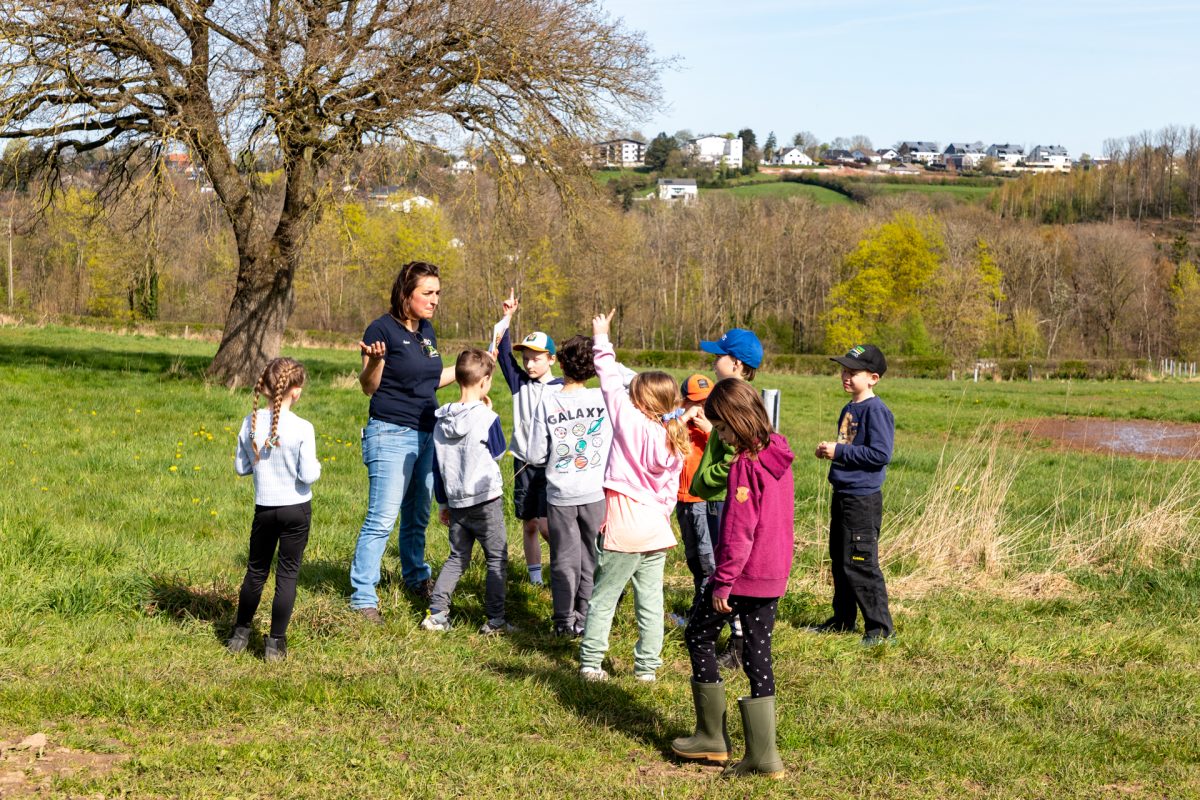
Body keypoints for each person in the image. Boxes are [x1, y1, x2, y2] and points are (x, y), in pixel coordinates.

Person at [672, 378, 794, 779]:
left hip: (742, 575)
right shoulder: (778, 449)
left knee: (698, 634)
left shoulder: (744, 465)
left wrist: (723, 582)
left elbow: (740, 532)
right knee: (759, 654)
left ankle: (712, 738)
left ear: (738, 420)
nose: (720, 436)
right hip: (772, 572)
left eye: (722, 428)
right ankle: (764, 756)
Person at [577, 310, 687, 683]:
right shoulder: (674, 436)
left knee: (604, 598)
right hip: (656, 530)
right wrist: (660, 515)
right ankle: (647, 669)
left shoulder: (629, 423)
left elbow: (608, 380)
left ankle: (591, 662)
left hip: (624, 529)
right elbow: (669, 494)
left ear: (640, 401)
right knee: (651, 603)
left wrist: (601, 336)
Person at [349, 261, 457, 623]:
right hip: (391, 433)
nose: (434, 300)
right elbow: (369, 387)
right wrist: (374, 363)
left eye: (437, 293)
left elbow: (429, 379)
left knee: (417, 517)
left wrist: (470, 366)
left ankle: (416, 577)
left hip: (427, 432)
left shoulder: (426, 331)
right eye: (427, 293)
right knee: (382, 519)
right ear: (405, 293)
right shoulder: (381, 330)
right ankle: (363, 597)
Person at [227, 357, 322, 663]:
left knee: (256, 571)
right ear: (296, 391)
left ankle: (240, 634)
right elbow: (308, 475)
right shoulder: (303, 428)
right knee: (287, 575)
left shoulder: (250, 422)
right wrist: (317, 466)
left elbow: (241, 467)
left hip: (265, 509)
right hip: (296, 509)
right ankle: (275, 644)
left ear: (265, 387)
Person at [687, 327, 765, 668]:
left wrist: (708, 478)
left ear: (737, 364)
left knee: (729, 567)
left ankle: (739, 642)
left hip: (727, 497)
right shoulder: (726, 398)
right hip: (717, 495)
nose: (713, 361)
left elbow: (739, 458)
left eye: (719, 356)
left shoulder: (738, 403)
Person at [526, 334, 613, 637]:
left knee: (564, 558)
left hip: (560, 493)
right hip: (595, 492)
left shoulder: (547, 400)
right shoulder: (604, 398)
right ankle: (585, 618)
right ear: (594, 368)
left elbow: (535, 454)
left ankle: (563, 621)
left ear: (560, 364)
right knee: (591, 556)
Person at [420, 348, 511, 635]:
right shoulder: (488, 417)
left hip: (456, 502)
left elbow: (437, 466)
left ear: (458, 379)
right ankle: (495, 620)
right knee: (496, 558)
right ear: (485, 381)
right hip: (486, 500)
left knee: (457, 557)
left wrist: (442, 504)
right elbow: (499, 452)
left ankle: (437, 614)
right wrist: (489, 410)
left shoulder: (441, 420)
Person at [813, 344, 896, 646]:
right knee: (841, 561)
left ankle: (881, 631)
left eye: (853, 372)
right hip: (843, 494)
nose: (846, 376)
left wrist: (840, 452)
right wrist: (831, 452)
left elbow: (881, 454)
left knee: (860, 563)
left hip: (862, 500)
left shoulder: (877, 411)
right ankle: (842, 621)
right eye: (844, 371)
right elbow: (849, 448)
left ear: (873, 378)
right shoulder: (849, 408)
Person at [495, 290, 562, 586]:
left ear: (552, 359)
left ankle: (566, 567)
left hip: (551, 467)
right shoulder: (518, 383)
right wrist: (507, 316)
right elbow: (501, 349)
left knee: (547, 526)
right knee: (530, 524)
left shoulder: (562, 388)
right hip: (523, 464)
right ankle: (535, 579)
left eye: (536, 358)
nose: (530, 364)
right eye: (526, 359)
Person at [673, 374, 716, 623]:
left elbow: (724, 451)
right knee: (693, 556)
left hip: (703, 500)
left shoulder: (714, 427)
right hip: (682, 499)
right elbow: (664, 439)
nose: (701, 408)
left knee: (707, 556)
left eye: (706, 402)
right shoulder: (678, 423)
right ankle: (699, 604)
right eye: (696, 402)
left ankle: (705, 611)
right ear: (684, 401)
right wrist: (683, 419)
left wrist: (709, 430)